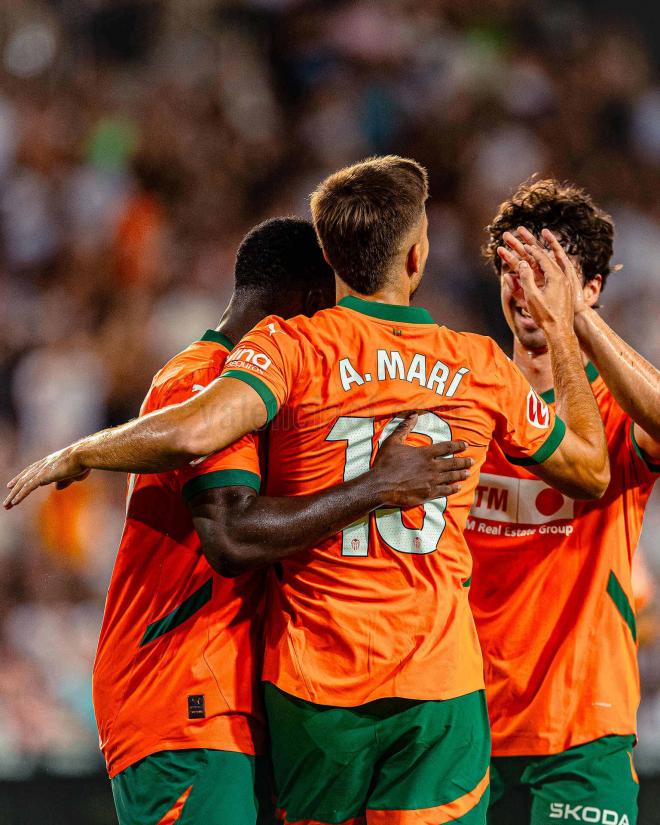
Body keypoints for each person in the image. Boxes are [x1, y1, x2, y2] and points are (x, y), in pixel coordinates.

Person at [5, 156, 610, 825]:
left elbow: (202, 427)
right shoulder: (476, 363)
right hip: (424, 679)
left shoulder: (288, 349)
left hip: (311, 681)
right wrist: (562, 328)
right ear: (418, 257)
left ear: (331, 256)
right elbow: (591, 466)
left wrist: (85, 448)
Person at [83, 217, 473, 825]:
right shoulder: (207, 383)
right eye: (337, 311)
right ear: (314, 303)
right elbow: (232, 538)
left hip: (224, 690)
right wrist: (378, 486)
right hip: (181, 688)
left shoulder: (244, 388)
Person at [466, 180, 660, 825]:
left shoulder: (616, 405)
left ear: (594, 288)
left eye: (551, 275)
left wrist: (572, 316)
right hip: (462, 724)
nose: (530, 294)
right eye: (516, 273)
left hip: (582, 729)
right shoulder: (467, 401)